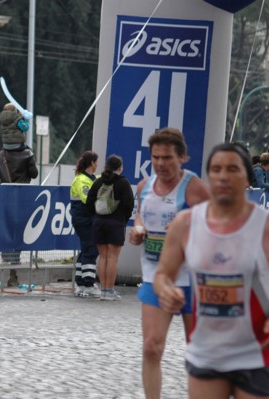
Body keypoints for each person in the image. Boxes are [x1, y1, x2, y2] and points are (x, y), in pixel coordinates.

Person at [154, 142, 269, 399]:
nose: (223, 176)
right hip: (207, 349)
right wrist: (166, 290)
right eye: (216, 169)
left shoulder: (268, 227)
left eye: (232, 169)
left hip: (256, 349)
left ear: (247, 177)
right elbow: (162, 275)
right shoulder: (186, 224)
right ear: (209, 175)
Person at [128, 127, 210, 399]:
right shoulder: (144, 187)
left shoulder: (196, 188)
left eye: (167, 158)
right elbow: (141, 216)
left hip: (194, 280)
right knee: (151, 347)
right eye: (156, 158)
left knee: (200, 354)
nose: (160, 164)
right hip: (156, 276)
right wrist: (137, 231)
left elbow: (218, 228)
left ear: (182, 158)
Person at [86, 155, 134, 301]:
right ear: (120, 167)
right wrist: (123, 218)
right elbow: (129, 205)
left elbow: (89, 202)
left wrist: (96, 217)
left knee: (103, 257)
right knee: (113, 257)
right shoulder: (123, 182)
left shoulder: (98, 181)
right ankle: (109, 291)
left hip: (99, 223)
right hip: (116, 223)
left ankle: (102, 290)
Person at [0, 140, 38, 265]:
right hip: (22, 197)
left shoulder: (0, 155)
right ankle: (15, 256)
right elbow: (34, 174)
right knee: (20, 226)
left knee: (6, 225)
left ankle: (5, 254)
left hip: (5, 196)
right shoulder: (28, 154)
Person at [70, 151, 101, 298]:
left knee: (85, 249)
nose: (98, 165)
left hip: (85, 219)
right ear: (92, 163)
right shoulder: (82, 180)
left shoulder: (90, 178)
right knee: (91, 249)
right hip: (84, 219)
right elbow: (87, 198)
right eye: (97, 162)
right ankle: (88, 284)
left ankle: (80, 283)